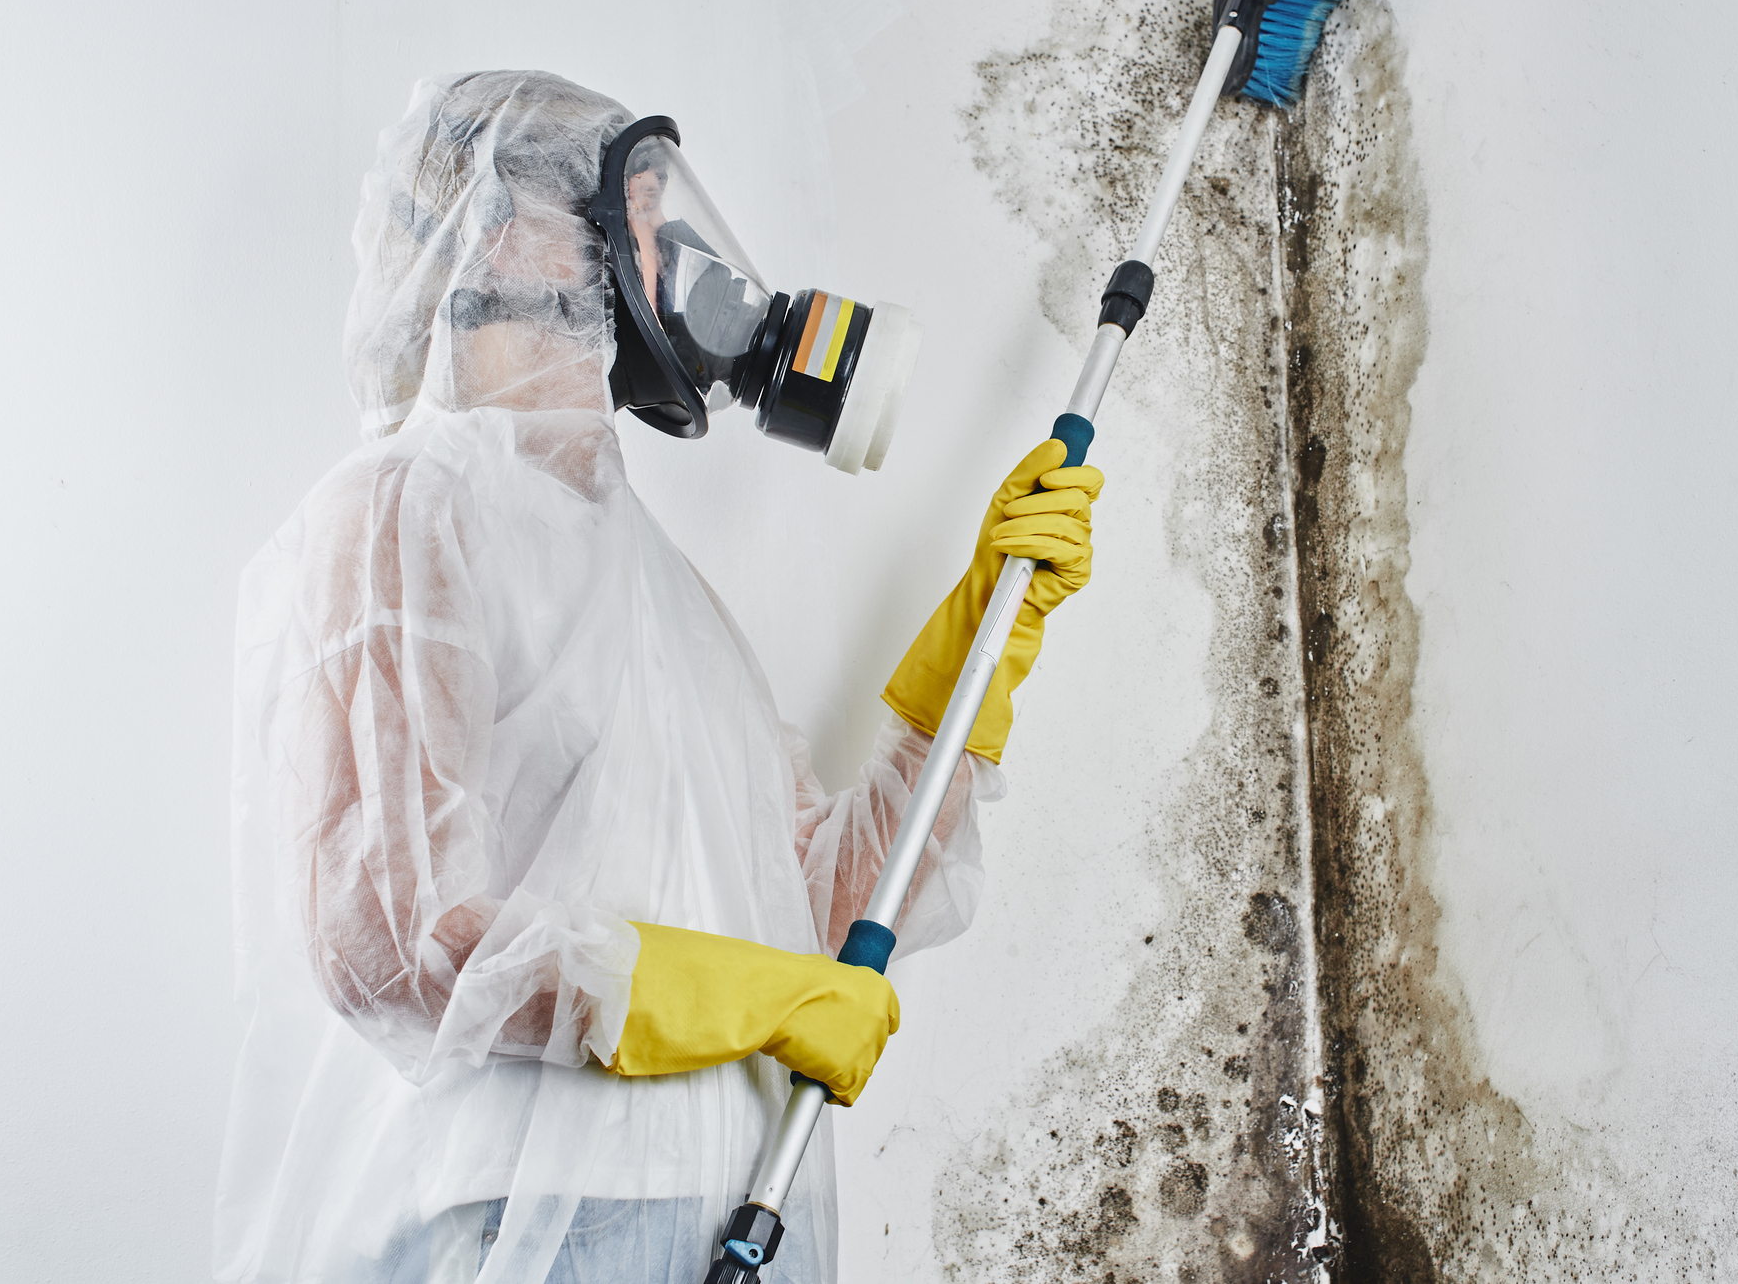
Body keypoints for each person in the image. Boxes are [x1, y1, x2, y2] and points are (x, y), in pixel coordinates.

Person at [216, 69, 1104, 1284]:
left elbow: (826, 918)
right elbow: (386, 932)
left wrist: (983, 639)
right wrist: (736, 1002)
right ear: (497, 232)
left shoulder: (662, 589)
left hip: (748, 1212)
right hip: (527, 1222)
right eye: (629, 204)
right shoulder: (408, 509)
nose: (665, 241)